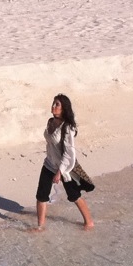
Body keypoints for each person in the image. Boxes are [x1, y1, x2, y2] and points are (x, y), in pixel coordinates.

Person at [34, 93, 94, 231]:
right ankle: (40, 227)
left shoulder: (67, 128)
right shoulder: (50, 122)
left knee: (74, 196)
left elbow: (69, 152)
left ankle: (89, 223)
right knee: (41, 195)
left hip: (65, 168)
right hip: (49, 164)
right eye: (53, 103)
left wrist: (60, 172)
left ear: (64, 108)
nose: (53, 106)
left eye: (57, 104)